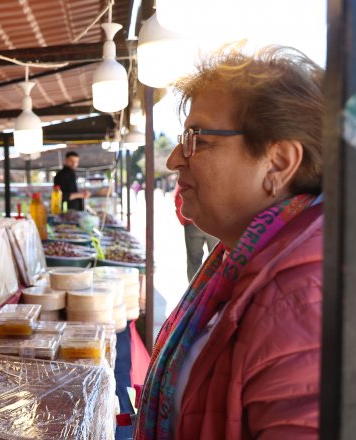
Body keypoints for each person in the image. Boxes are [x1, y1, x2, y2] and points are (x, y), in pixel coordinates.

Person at [136, 45, 323, 439]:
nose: (173, 160)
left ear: (278, 163)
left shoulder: (302, 299)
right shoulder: (239, 262)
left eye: (198, 140)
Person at [174, 182, 218, 282]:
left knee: (194, 261)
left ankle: (193, 291)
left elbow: (178, 197)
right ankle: (213, 291)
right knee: (216, 260)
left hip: (192, 223)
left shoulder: (186, 174)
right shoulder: (213, 173)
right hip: (212, 222)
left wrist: (185, 221)